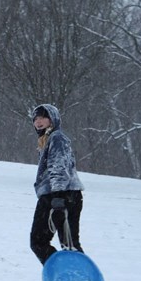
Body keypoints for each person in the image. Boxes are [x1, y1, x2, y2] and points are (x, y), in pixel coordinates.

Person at [29, 104, 84, 264]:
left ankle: (67, 273)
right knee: (69, 245)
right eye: (35, 119)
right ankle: (71, 274)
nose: (38, 122)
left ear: (53, 119)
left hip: (60, 195)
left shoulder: (57, 137)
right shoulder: (46, 140)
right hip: (63, 195)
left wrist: (58, 198)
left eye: (43, 117)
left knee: (41, 242)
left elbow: (58, 167)